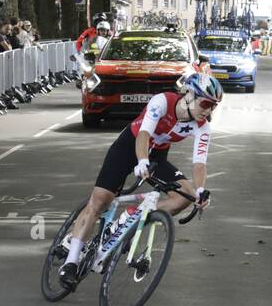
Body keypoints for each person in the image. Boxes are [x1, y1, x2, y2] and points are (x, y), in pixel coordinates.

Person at [58, 71, 221, 290]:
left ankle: (131, 218)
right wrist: (141, 160)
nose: (209, 111)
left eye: (214, 106)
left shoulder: (202, 127)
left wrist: (201, 190)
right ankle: (70, 263)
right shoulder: (162, 101)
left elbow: (199, 163)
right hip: (129, 146)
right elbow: (144, 133)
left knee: (186, 197)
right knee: (100, 201)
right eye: (206, 103)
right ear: (189, 96)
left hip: (156, 157)